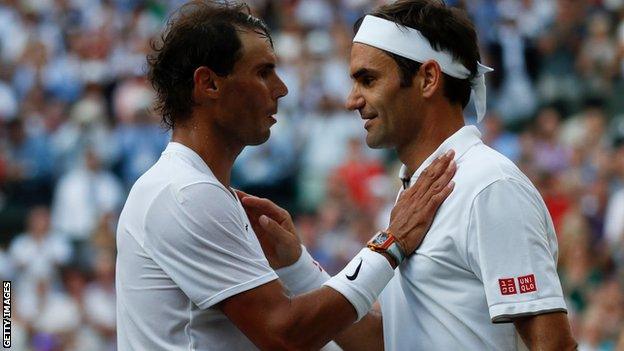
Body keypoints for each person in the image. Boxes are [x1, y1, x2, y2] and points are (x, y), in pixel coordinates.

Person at [115, 1, 456, 350]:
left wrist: (296, 265)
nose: (281, 88)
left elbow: (362, 340)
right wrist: (390, 243)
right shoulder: (185, 193)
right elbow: (286, 335)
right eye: (263, 72)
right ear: (209, 84)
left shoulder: (199, 190)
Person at [243, 0, 578, 350]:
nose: (351, 100)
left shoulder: (490, 186)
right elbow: (386, 341)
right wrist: (298, 264)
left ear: (428, 79)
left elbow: (554, 345)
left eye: (367, 80)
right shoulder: (417, 192)